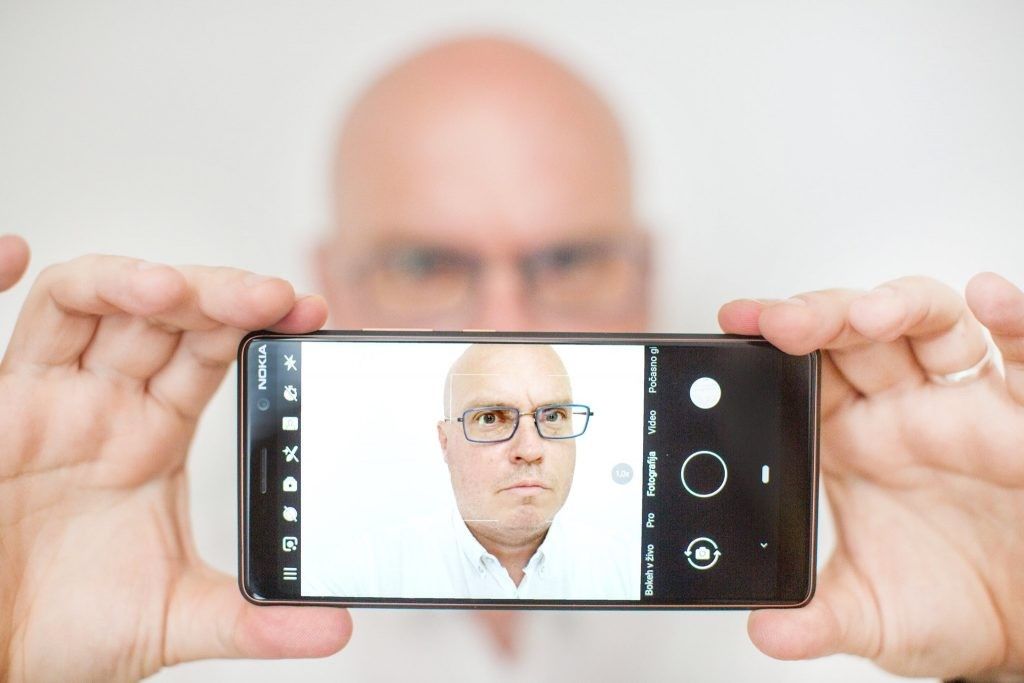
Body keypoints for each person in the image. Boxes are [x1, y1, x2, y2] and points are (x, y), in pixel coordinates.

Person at [2, 34, 1024, 681]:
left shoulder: (836, 591)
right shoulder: (156, 573)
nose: (504, 323)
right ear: (330, 278)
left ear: (644, 272)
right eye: (423, 263)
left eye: (568, 260)